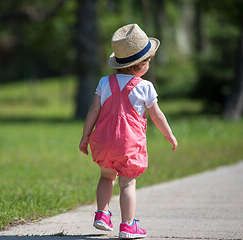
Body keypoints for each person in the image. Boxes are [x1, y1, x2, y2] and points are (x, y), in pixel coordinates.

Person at [79, 23, 178, 239]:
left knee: (106, 177)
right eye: (149, 61)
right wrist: (169, 135)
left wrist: (86, 136)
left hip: (103, 141)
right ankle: (128, 226)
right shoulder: (145, 87)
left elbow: (94, 110)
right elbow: (156, 116)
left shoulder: (104, 82)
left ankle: (102, 215)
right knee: (127, 183)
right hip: (128, 144)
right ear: (141, 65)